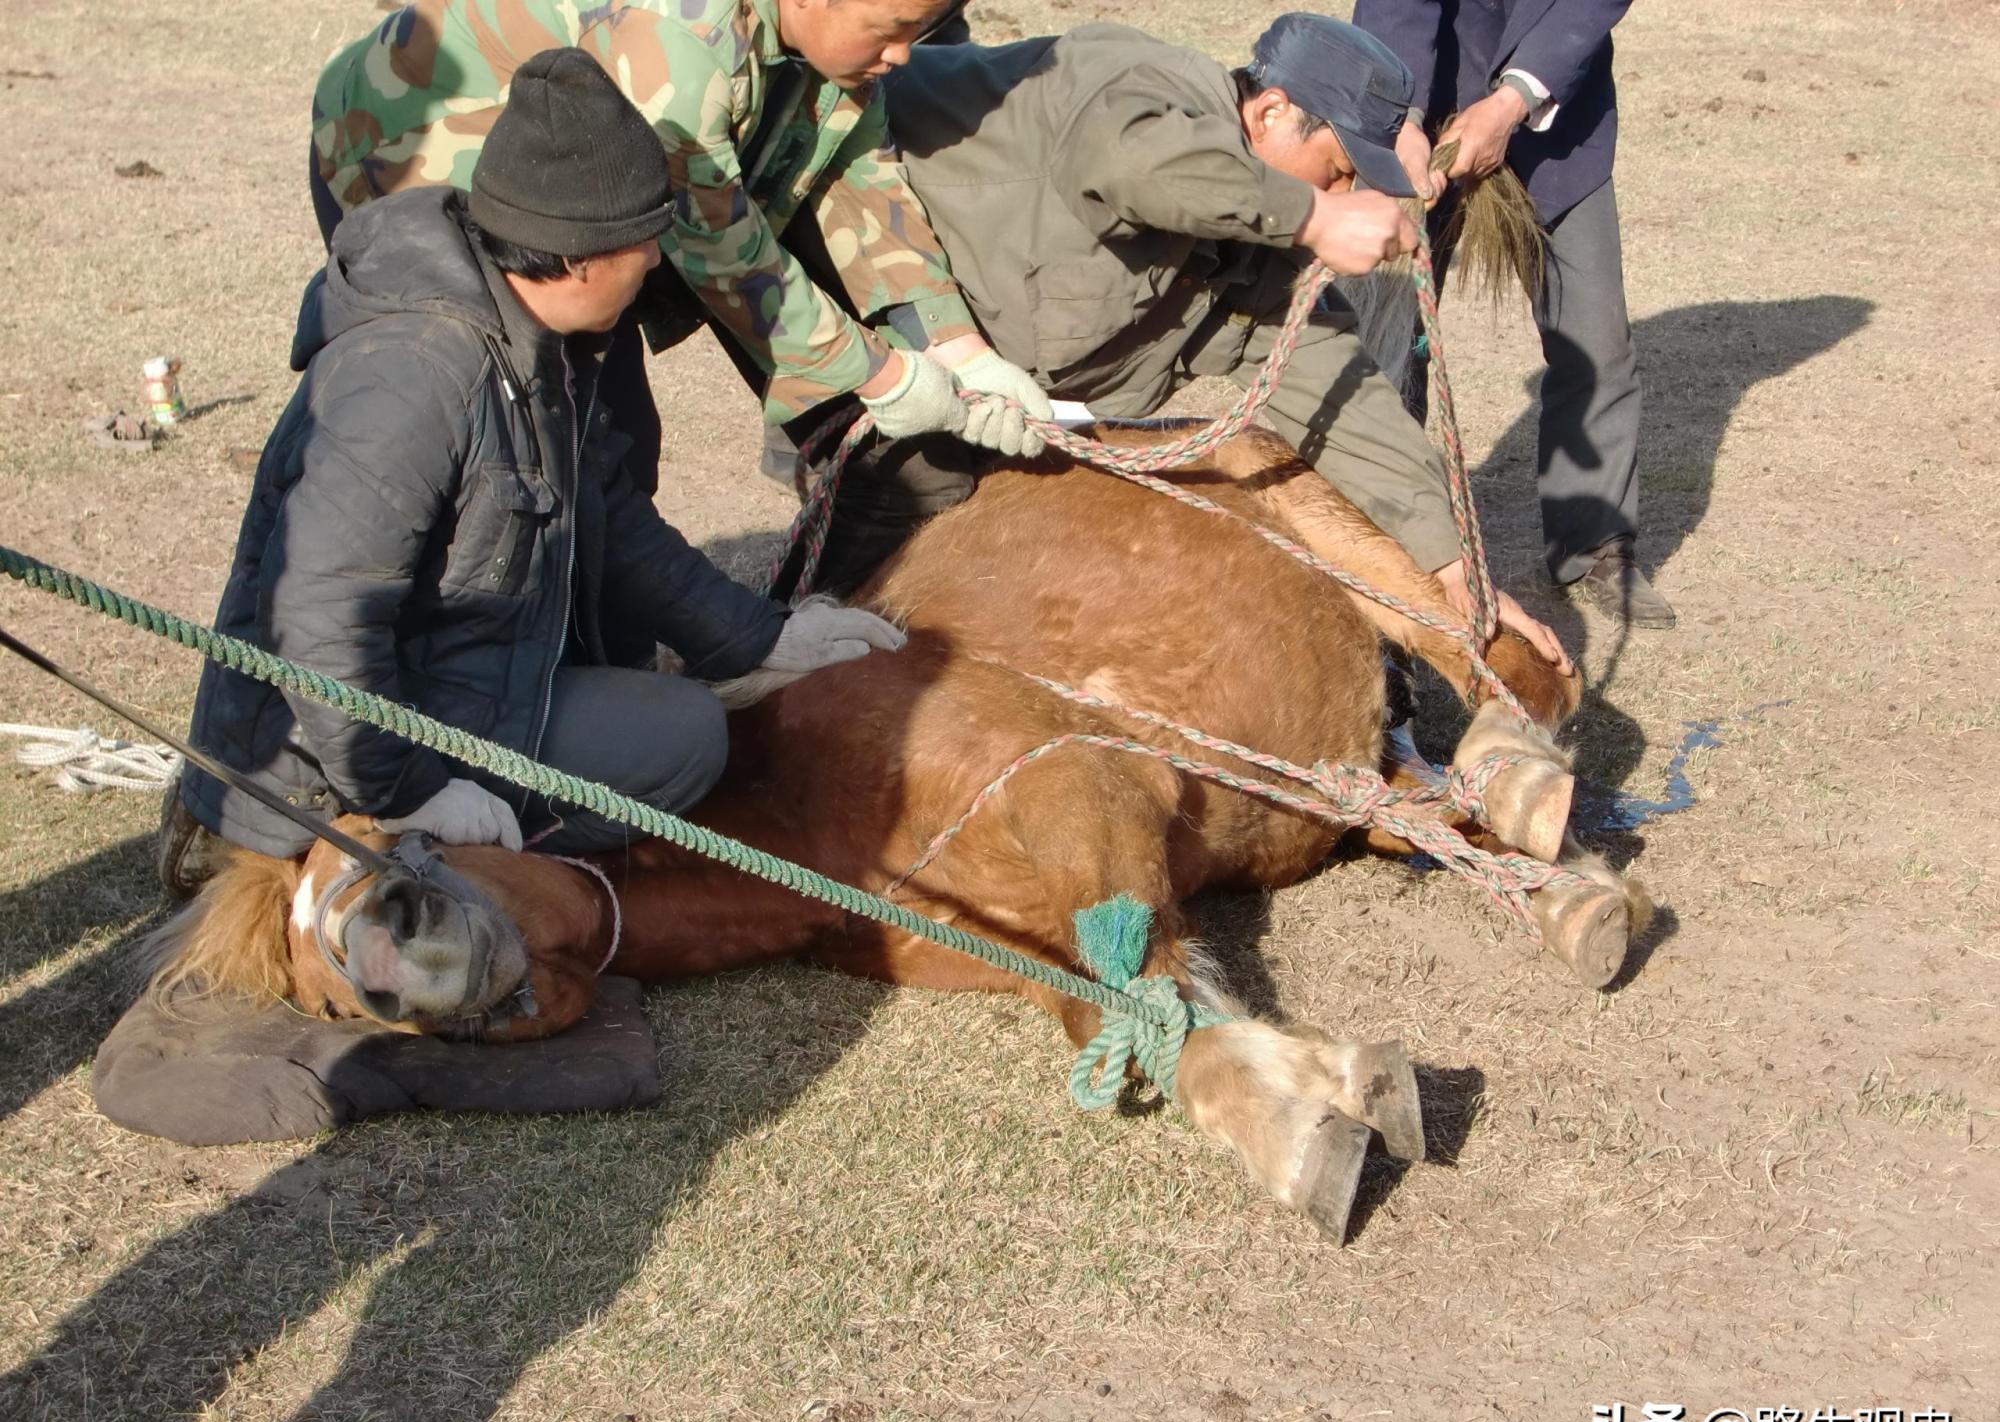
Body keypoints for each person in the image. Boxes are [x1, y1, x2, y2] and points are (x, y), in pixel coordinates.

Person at [157, 49, 904, 897]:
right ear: (582, 254)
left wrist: (756, 639)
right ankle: (359, 870)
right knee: (679, 746)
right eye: (646, 242)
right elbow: (321, 615)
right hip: (320, 764)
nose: (656, 263)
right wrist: (409, 794)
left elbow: (612, 520)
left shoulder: (539, 339)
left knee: (683, 730)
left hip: (456, 685)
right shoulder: (414, 374)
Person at [864, 13, 1570, 663]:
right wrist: (1313, 214)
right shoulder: (1138, 88)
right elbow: (1136, 165)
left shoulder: (1256, 253)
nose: (1345, 187)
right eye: (1339, 167)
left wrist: (1451, 565)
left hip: (972, 378)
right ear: (1272, 111)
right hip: (845, 288)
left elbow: (1337, 388)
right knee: (878, 584)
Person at [307, 0, 1050, 513]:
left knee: (608, 447)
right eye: (891, 28)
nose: (902, 55)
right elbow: (720, 245)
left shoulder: (828, 46)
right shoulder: (679, 42)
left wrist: (955, 343)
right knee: (538, 439)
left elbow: (860, 170)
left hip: (576, 197)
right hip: (413, 154)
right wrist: (885, 377)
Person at [1352, 0, 1674, 627]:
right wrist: (1402, 115)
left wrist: (1513, 100)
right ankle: (1376, 532)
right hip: (1417, 107)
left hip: (1558, 117)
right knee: (1381, 340)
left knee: (1595, 338)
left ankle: (1594, 547)